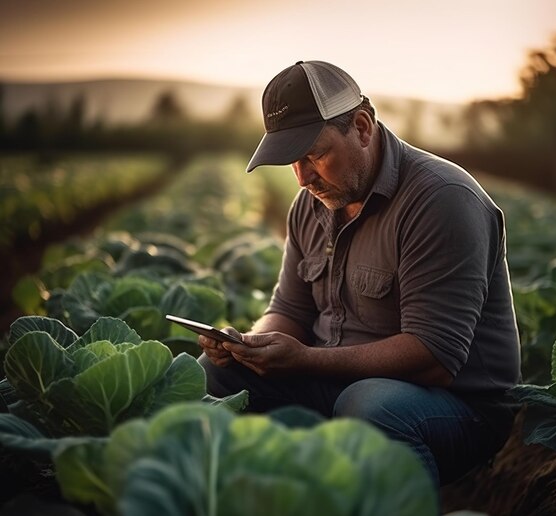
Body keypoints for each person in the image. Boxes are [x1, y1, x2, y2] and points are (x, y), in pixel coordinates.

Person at [198, 60, 521, 488]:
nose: (302, 178)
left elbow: (434, 359)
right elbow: (289, 308)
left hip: (454, 406)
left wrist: (306, 359)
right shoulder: (311, 206)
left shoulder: (441, 200)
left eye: (314, 154)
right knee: (213, 375)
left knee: (370, 408)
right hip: (340, 383)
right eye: (292, 162)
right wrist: (249, 346)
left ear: (363, 127)